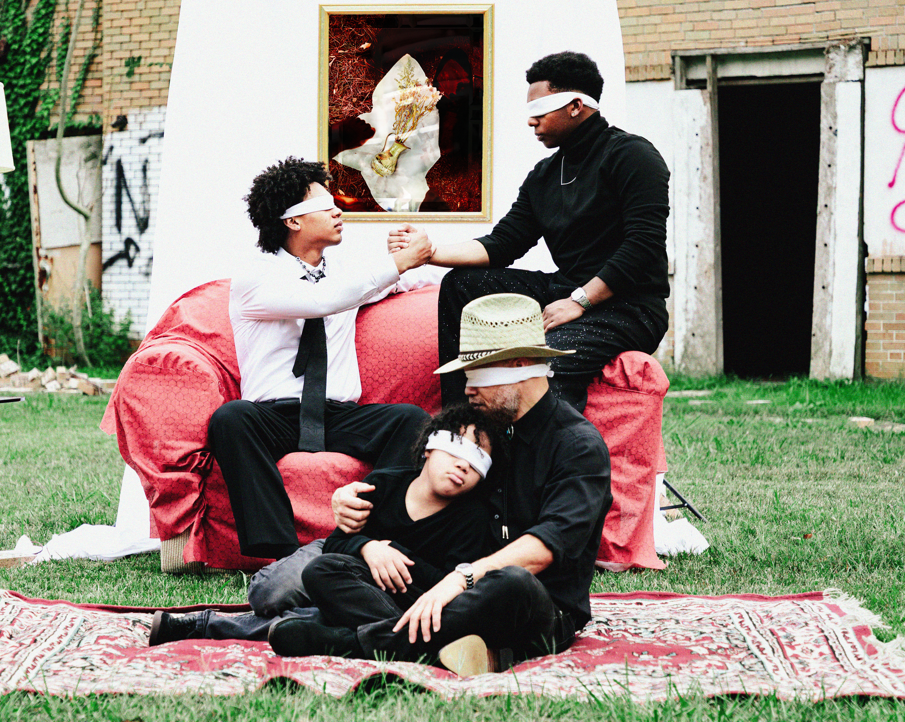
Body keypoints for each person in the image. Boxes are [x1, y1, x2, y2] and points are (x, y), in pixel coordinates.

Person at [271, 293, 612, 676]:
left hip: (531, 607)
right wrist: (351, 497)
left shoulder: (578, 447)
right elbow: (421, 483)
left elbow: (545, 548)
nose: (467, 390)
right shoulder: (493, 435)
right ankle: (445, 646)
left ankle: (357, 643)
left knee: (512, 583)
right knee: (327, 569)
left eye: (479, 375)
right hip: (450, 590)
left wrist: (461, 577)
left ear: (519, 365)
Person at [389, 51, 670, 410]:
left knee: (545, 363)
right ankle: (460, 421)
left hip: (630, 305)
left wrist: (579, 302)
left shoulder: (632, 155)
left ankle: (559, 458)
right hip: (567, 287)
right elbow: (504, 243)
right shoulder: (545, 175)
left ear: (575, 105)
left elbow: (642, 246)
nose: (531, 121)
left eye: (541, 110)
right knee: (463, 284)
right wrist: (430, 253)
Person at [207, 157, 435, 561]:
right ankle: (279, 554)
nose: (337, 211)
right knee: (230, 418)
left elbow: (409, 279)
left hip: (338, 414)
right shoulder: (256, 277)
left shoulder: (347, 272)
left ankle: (373, 535)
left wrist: (418, 252)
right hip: (272, 417)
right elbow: (321, 300)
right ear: (293, 222)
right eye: (324, 205)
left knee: (411, 421)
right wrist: (391, 265)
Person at [267, 405, 507, 668]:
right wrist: (369, 548)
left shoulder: (472, 518)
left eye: (477, 462)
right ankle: (421, 649)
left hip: (424, 606)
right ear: (428, 447)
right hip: (367, 597)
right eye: (456, 448)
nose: (463, 464)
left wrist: (397, 555)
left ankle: (359, 642)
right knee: (320, 571)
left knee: (312, 617)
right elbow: (336, 543)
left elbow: (453, 586)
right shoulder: (382, 485)